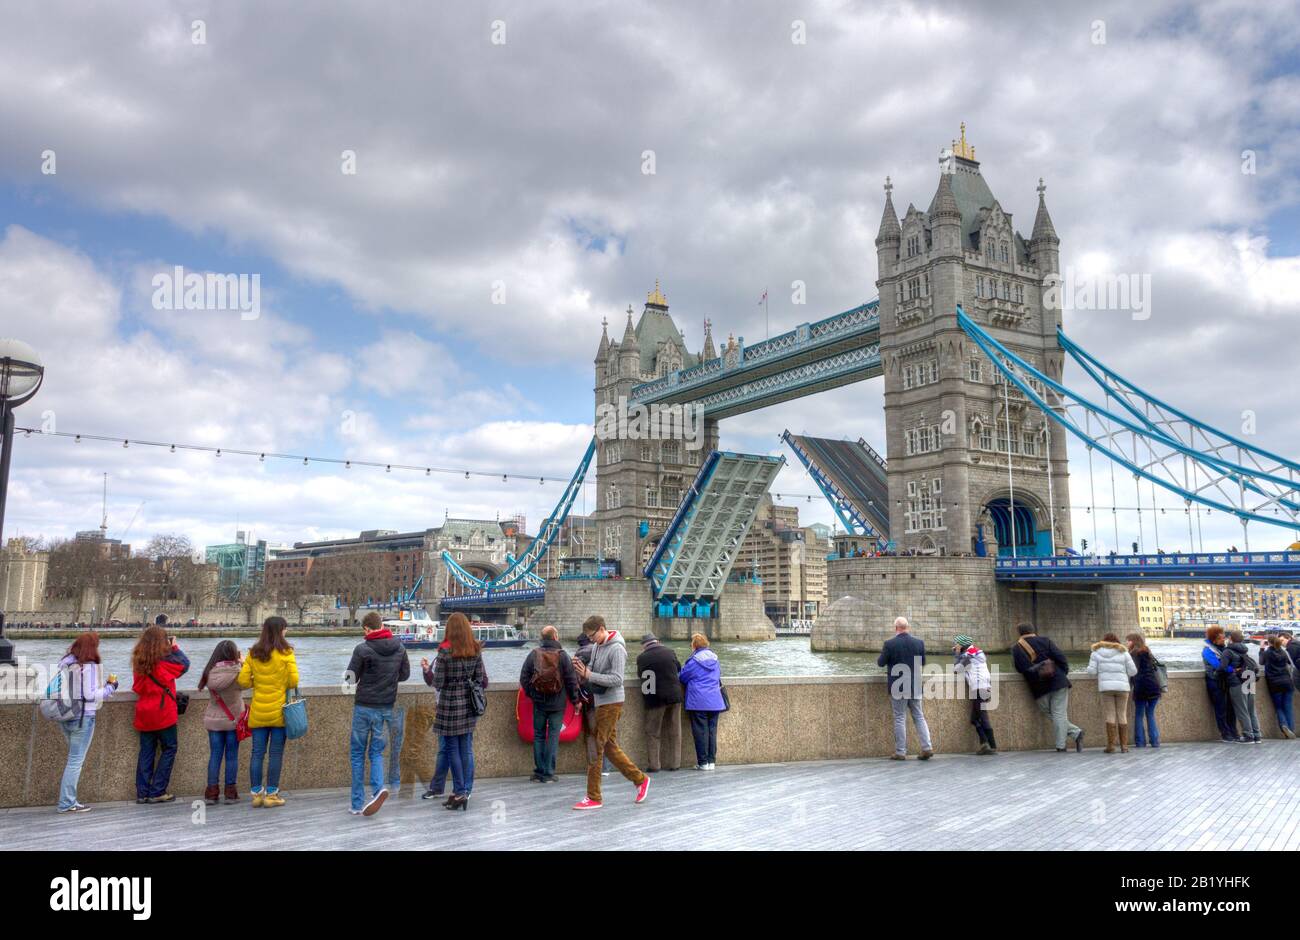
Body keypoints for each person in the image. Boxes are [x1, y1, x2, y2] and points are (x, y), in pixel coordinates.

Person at [571, 615, 650, 810]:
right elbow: (593, 669)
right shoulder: (597, 646)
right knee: (609, 747)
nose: (591, 640)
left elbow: (616, 679)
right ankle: (640, 780)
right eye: (588, 637)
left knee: (595, 747)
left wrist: (589, 675)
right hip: (600, 701)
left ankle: (594, 797)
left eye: (592, 635)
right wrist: (583, 670)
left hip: (612, 703)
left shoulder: (617, 649)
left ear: (601, 629)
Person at [345, 611, 411, 816]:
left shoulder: (362, 649)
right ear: (382, 625)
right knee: (376, 752)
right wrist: (388, 679)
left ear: (366, 628)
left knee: (357, 754)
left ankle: (357, 804)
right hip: (386, 707)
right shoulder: (399, 647)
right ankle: (377, 789)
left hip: (364, 706)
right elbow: (405, 674)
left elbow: (350, 679)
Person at [427, 612, 487, 811]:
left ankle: (460, 791)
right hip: (469, 706)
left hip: (450, 705)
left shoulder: (445, 653)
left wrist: (431, 671)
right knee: (466, 749)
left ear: (449, 630)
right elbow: (480, 680)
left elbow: (437, 683)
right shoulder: (476, 650)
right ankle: (463, 791)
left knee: (452, 749)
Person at [237, 616, 300, 806]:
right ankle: (272, 795)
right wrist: (279, 683)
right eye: (285, 629)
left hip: (258, 711)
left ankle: (256, 794)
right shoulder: (286, 652)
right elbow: (293, 681)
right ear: (281, 630)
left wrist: (259, 682)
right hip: (279, 712)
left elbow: (243, 682)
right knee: (275, 754)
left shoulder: (253, 653)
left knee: (257, 753)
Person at [53, 632, 118, 813]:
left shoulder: (65, 662)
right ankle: (67, 802)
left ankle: (67, 801)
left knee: (72, 759)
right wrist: (110, 687)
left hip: (65, 715)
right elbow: (90, 695)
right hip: (83, 717)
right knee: (75, 762)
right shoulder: (87, 666)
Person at [131, 625, 190, 804]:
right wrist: (174, 647)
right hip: (163, 711)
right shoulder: (165, 662)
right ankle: (157, 790)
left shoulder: (138, 661)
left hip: (144, 711)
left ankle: (142, 793)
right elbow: (185, 665)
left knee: (146, 752)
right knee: (169, 748)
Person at [519, 624, 581, 782]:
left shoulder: (533, 654)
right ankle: (549, 772)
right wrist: (575, 701)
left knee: (539, 735)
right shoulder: (563, 655)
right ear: (555, 637)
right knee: (553, 736)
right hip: (557, 704)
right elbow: (571, 681)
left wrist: (532, 694)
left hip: (539, 703)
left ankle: (539, 771)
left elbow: (524, 678)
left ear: (542, 638)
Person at [1011, 623, 1084, 752]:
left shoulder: (1017, 648)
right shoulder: (1046, 641)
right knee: (1058, 714)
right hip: (1058, 681)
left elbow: (1020, 668)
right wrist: (1061, 674)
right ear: (1033, 630)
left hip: (1038, 686)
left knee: (1050, 712)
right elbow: (1061, 659)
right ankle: (1075, 732)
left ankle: (1062, 745)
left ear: (1020, 633)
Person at [876, 617, 933, 761]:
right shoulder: (919, 643)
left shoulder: (889, 644)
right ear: (907, 627)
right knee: (919, 716)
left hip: (898, 686)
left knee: (900, 718)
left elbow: (881, 663)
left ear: (896, 628)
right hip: (915, 685)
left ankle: (901, 752)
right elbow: (923, 662)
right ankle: (927, 747)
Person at [198, 640, 244, 805]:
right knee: (231, 756)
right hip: (233, 721)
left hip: (214, 721)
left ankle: (211, 792)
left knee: (215, 756)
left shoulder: (210, 672)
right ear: (234, 654)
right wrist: (244, 663)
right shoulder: (238, 672)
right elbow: (251, 682)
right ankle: (230, 793)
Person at [636, 632, 683, 773]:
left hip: (654, 698)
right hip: (674, 696)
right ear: (657, 641)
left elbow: (641, 675)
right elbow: (678, 668)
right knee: (675, 731)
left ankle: (654, 765)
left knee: (653, 732)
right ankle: (675, 764)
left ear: (644, 645)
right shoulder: (670, 652)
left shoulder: (642, 657)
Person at [679, 633, 726, 770]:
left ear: (694, 646)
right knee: (712, 731)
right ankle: (712, 762)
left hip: (698, 701)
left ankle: (703, 762)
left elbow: (683, 677)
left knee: (700, 731)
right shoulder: (715, 659)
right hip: (715, 700)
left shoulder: (694, 661)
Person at [1087, 632, 1138, 753]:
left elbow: (1091, 672)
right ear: (1116, 641)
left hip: (1106, 688)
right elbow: (1133, 671)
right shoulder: (1124, 652)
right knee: (1122, 714)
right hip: (1122, 688)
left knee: (1110, 715)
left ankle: (1110, 746)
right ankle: (1124, 747)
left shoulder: (1096, 653)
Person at [952, 633, 996, 755]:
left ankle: (989, 745)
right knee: (978, 717)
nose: (954, 646)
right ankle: (987, 745)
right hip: (986, 686)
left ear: (962, 645)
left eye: (956, 644)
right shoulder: (976, 652)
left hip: (978, 688)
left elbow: (956, 669)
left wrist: (956, 654)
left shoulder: (968, 656)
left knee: (978, 717)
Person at [1222, 630, 1261, 744]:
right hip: (1249, 680)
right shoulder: (1244, 650)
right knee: (1251, 710)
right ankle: (1257, 735)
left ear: (1231, 639)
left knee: (1242, 710)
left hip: (1237, 682)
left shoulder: (1228, 651)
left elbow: (1223, 668)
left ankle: (1248, 736)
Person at [1126, 633, 1162, 748]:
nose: (1127, 643)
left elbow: (1133, 671)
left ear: (1133, 642)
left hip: (1141, 687)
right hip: (1154, 686)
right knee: (1150, 714)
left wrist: (1129, 685)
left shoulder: (1133, 654)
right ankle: (1155, 741)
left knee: (1139, 715)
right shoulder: (1147, 651)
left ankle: (1140, 742)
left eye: (1128, 641)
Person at [1202, 627, 1238, 742]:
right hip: (1215, 681)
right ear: (1214, 639)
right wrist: (1233, 669)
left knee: (1231, 708)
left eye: (1224, 637)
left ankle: (1233, 731)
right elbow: (1218, 666)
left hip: (1226, 680)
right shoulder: (1207, 651)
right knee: (1221, 708)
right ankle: (1225, 733)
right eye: (1222, 638)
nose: (1224, 639)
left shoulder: (1224, 648)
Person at [1260, 635, 1296, 739]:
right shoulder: (1284, 652)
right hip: (1287, 682)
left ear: (1269, 643)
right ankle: (1291, 730)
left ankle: (1284, 725)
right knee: (1288, 707)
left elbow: (1261, 662)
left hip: (1275, 684)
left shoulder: (1267, 653)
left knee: (1279, 707)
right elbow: (1290, 663)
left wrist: (1262, 649)